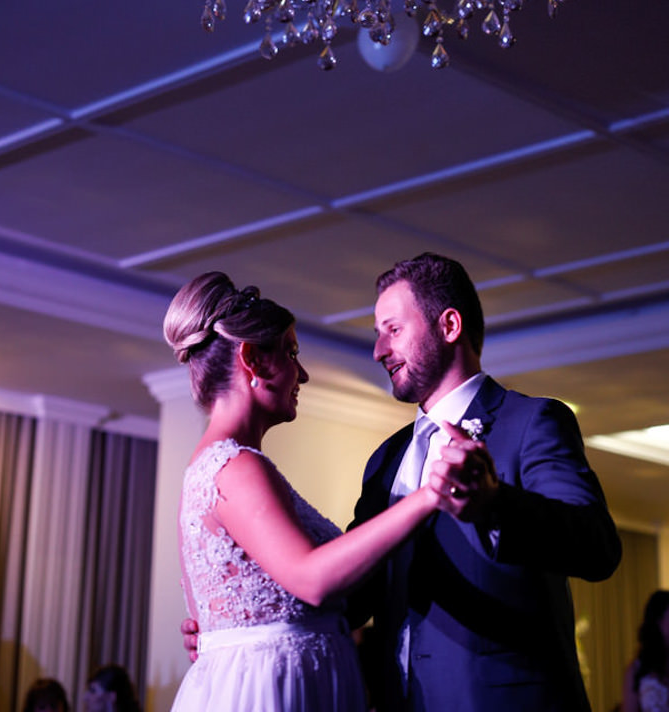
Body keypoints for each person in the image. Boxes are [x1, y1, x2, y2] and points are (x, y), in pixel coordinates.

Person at [181, 252, 622, 711]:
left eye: (393, 330)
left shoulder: (532, 421)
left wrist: (492, 503)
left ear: (449, 327)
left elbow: (598, 547)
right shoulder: (386, 459)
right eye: (377, 335)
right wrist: (238, 624)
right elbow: (353, 593)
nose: (378, 351)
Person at [165, 271, 465, 712]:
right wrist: (429, 495)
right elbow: (313, 580)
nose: (301, 373)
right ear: (254, 360)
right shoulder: (235, 465)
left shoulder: (216, 465)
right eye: (290, 352)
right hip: (275, 693)